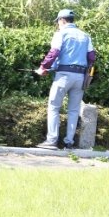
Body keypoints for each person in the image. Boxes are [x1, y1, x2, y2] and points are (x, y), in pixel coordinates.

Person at [35, 9, 96, 150]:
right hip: (80, 77)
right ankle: (69, 143)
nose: (57, 24)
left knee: (54, 107)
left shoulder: (60, 33)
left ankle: (51, 141)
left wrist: (43, 67)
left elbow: (54, 52)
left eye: (57, 22)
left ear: (62, 20)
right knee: (74, 110)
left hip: (63, 76)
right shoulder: (86, 36)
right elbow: (92, 57)